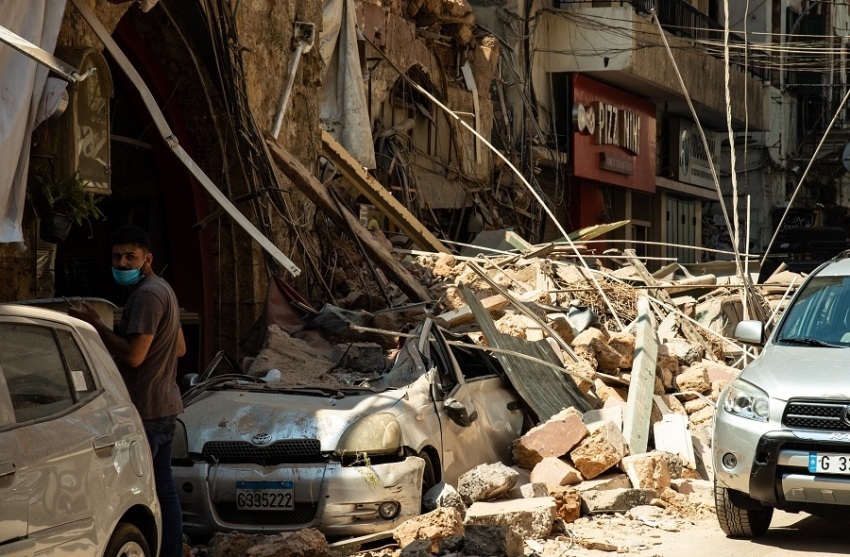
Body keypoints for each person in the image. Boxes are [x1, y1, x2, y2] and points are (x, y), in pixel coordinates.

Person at [69, 224, 186, 557]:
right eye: (117, 256)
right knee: (163, 488)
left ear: (146, 258)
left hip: (147, 410)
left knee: (135, 493)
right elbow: (178, 348)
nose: (121, 263)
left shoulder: (147, 296)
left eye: (129, 257)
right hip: (165, 406)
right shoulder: (164, 290)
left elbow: (135, 356)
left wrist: (95, 326)